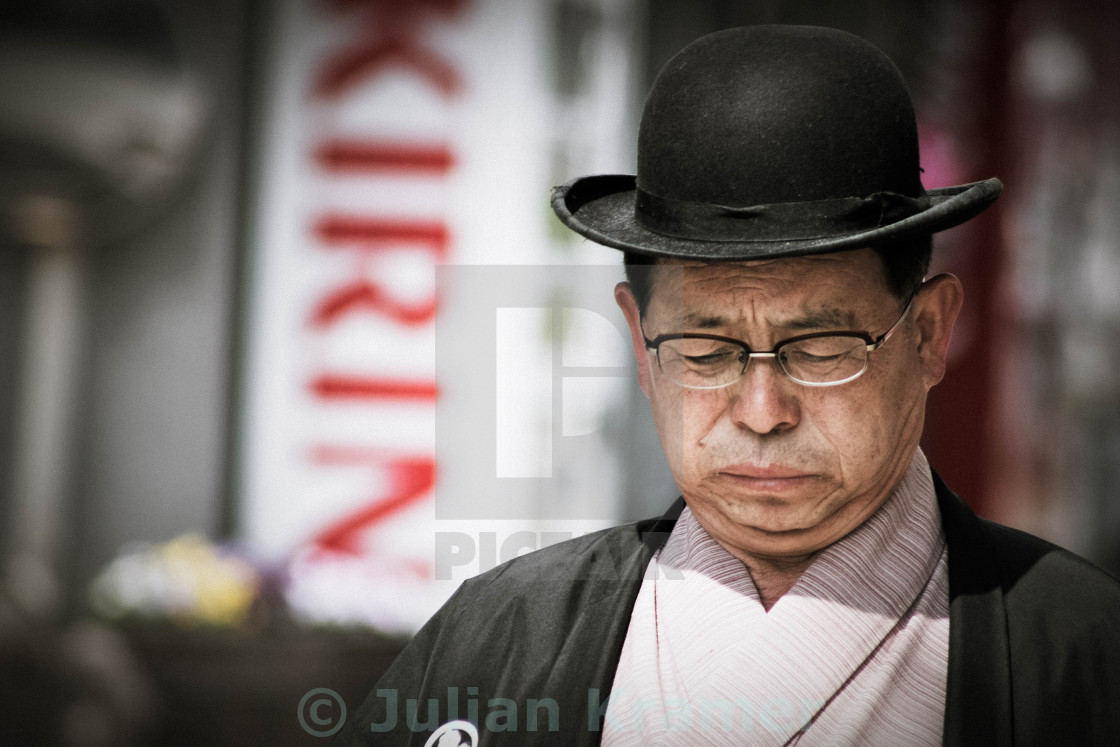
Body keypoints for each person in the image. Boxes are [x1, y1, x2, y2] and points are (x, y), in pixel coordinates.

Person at [334, 25, 1120, 746]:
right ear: (642, 350)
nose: (762, 411)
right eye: (705, 349)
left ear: (926, 335)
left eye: (819, 345)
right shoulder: (499, 636)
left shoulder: (1083, 653)